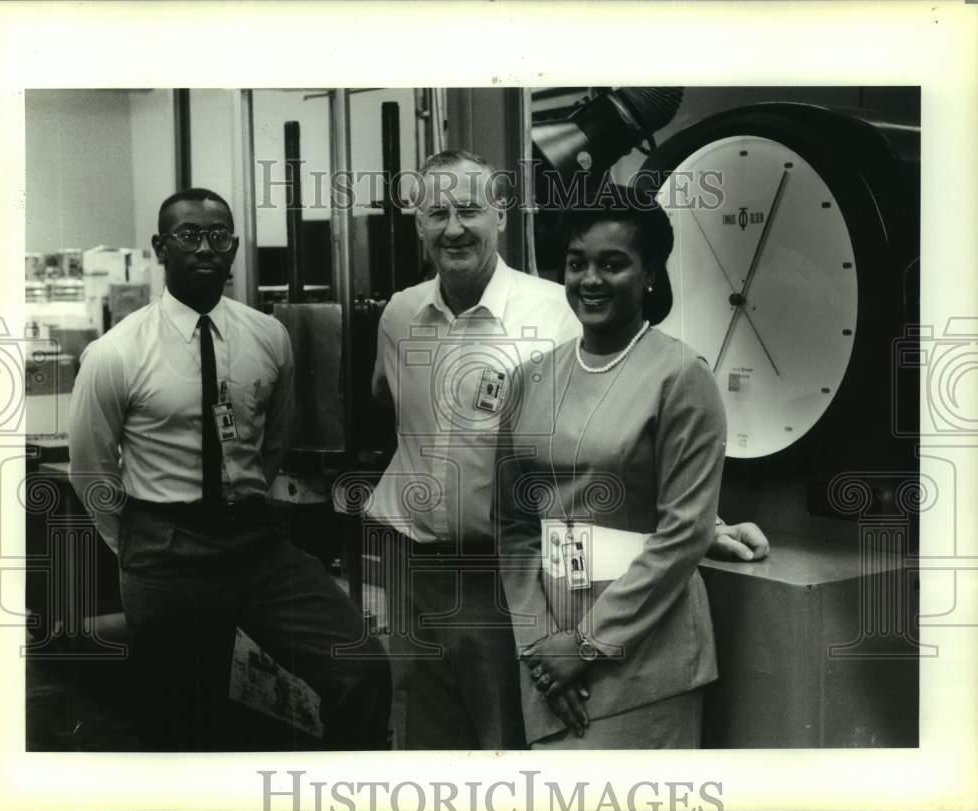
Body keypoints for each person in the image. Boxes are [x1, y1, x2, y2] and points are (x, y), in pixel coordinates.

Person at [369, 150, 767, 750]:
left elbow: (650, 491)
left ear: (500, 215)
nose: (454, 226)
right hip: (477, 587)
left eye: (470, 208)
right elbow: (511, 508)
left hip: (583, 616)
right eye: (437, 212)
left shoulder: (596, 333)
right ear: (417, 223)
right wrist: (540, 641)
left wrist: (704, 526)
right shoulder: (405, 318)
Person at [68, 187, 390, 750]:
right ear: (160, 247)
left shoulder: (268, 337)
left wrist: (244, 507)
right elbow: (91, 470)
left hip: (255, 545)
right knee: (180, 726)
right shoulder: (116, 353)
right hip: (165, 549)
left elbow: (271, 443)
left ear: (235, 247)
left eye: (219, 236)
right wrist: (141, 547)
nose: (205, 248)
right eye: (188, 235)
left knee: (360, 666)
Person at [494, 188, 726, 748]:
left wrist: (585, 644)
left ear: (650, 273)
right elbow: (514, 526)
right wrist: (539, 643)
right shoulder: (530, 378)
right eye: (577, 263)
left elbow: (683, 536)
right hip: (547, 654)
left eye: (613, 263)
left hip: (645, 659)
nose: (590, 279)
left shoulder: (681, 377)